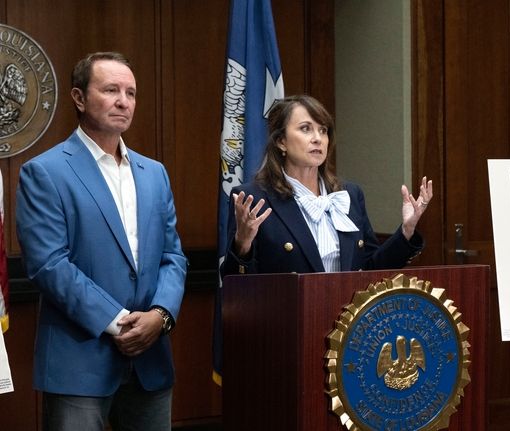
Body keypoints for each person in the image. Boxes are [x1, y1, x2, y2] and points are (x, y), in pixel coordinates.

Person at [15, 52, 187, 431]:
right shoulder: (45, 172)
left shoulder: (155, 173)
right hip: (79, 360)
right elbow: (48, 264)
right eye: (110, 90)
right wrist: (120, 323)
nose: (123, 101)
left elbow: (173, 256)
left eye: (131, 92)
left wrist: (160, 316)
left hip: (151, 360)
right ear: (79, 97)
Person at [220, 94, 433, 277]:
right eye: (305, 129)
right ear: (281, 141)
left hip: (348, 321)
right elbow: (236, 287)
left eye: (323, 131)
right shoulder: (253, 198)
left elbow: (371, 269)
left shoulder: (349, 194)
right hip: (289, 321)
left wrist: (406, 231)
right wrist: (243, 244)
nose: (317, 139)